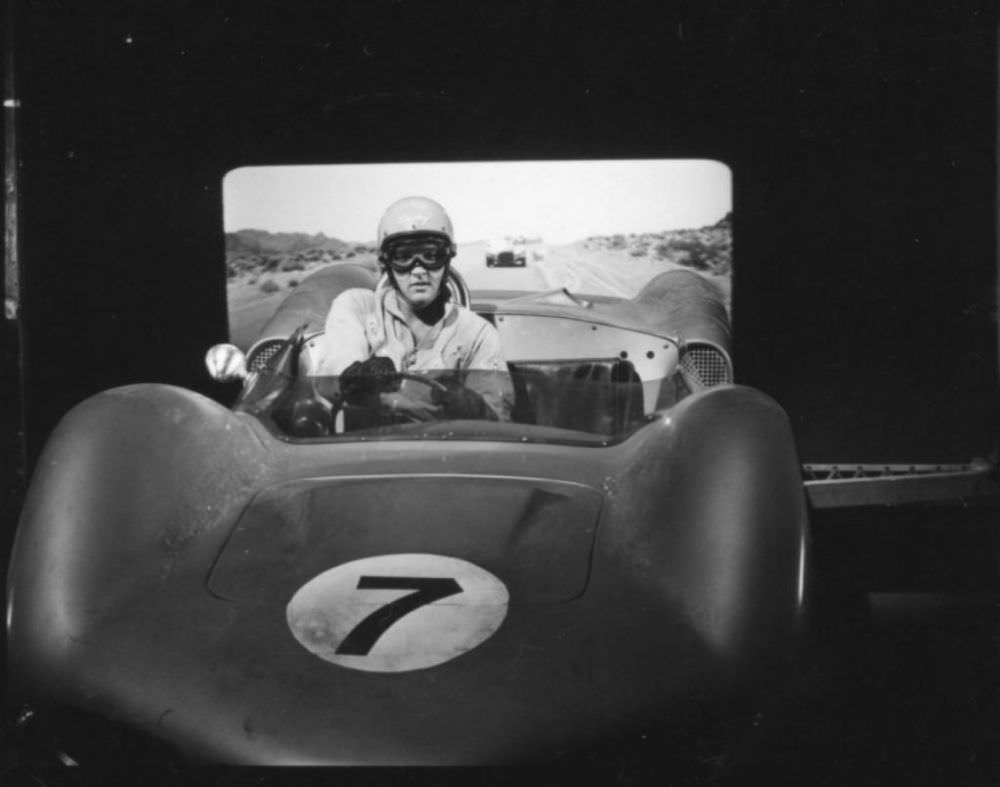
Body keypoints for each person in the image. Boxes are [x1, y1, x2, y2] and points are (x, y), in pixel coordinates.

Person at [315, 196, 513, 420]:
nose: (418, 270)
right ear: (387, 262)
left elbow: (498, 413)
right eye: (404, 257)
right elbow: (331, 374)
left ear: (447, 259)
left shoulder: (478, 333)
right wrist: (355, 376)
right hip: (367, 445)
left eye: (431, 256)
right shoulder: (358, 308)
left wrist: (473, 406)